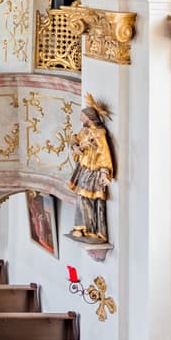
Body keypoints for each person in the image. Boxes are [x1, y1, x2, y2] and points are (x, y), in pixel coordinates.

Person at [68, 100, 116, 245]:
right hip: (84, 168)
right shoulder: (84, 131)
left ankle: (92, 230)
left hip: (93, 171)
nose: (80, 118)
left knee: (88, 199)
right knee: (81, 197)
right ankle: (81, 227)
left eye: (82, 116)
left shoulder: (99, 133)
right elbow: (74, 140)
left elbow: (104, 153)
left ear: (89, 117)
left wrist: (104, 172)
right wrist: (76, 147)